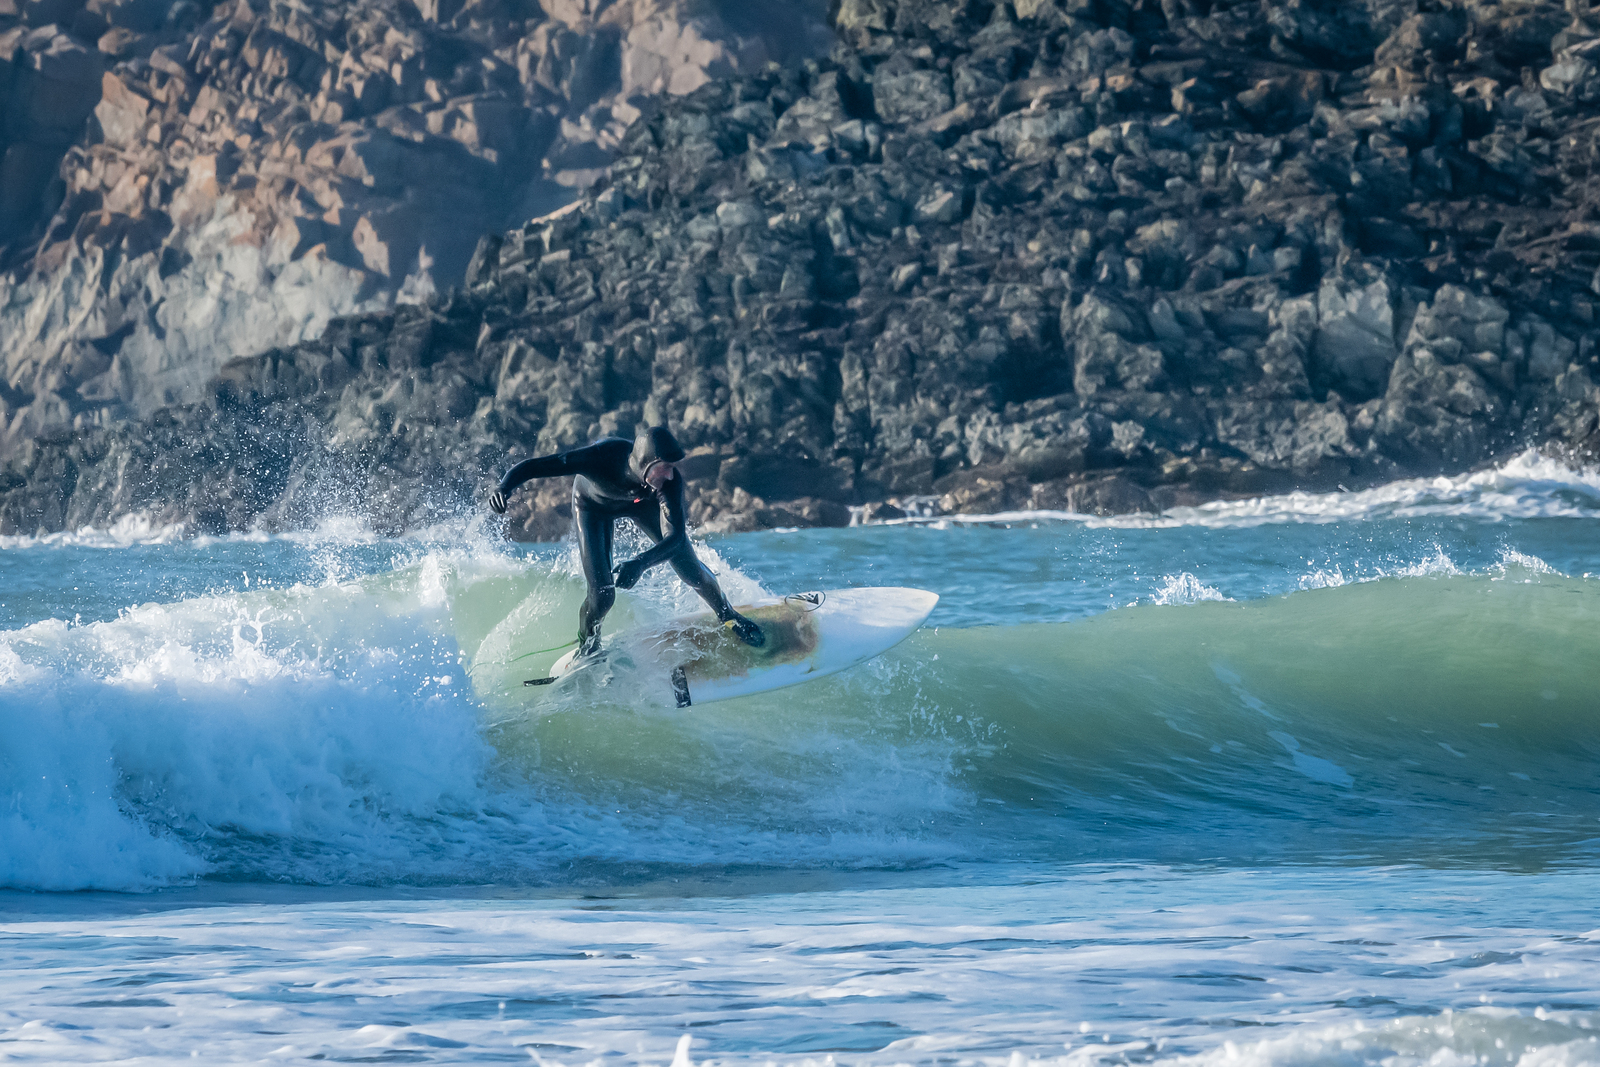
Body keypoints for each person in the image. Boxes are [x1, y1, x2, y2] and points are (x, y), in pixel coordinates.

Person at [489, 426, 765, 658]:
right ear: (647, 463)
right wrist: (505, 486)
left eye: (672, 469)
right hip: (591, 507)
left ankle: (728, 615)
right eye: (665, 468)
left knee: (689, 567)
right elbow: (540, 465)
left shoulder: (668, 484)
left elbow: (676, 537)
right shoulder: (601, 457)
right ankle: (588, 646)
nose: (670, 475)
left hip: (638, 505)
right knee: (603, 594)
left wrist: (640, 562)